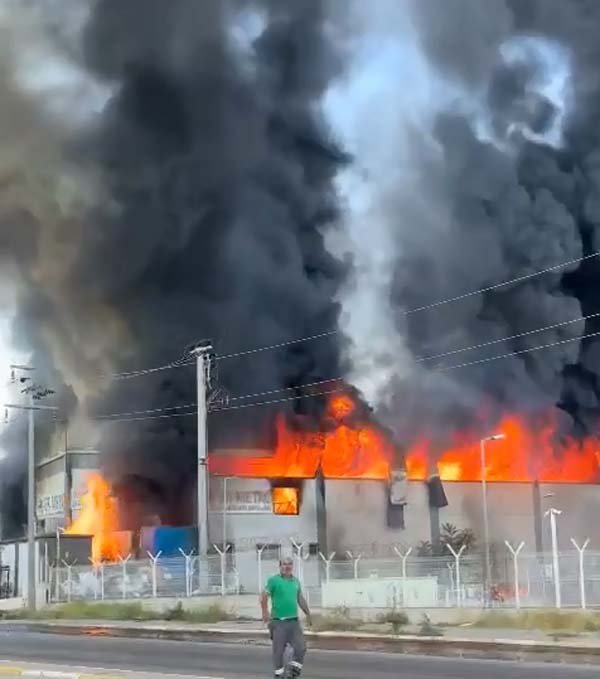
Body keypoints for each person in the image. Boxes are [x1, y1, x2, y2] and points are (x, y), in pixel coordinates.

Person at [260, 556, 312, 678]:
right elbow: (264, 596)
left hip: (294, 622)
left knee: (301, 648)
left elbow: (300, 598)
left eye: (289, 564)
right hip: (279, 622)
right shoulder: (274, 580)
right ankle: (279, 675)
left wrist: (308, 613)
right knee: (278, 651)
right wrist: (265, 612)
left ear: (292, 567)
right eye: (284, 564)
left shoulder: (296, 581)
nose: (287, 566)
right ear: (280, 566)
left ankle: (293, 673)